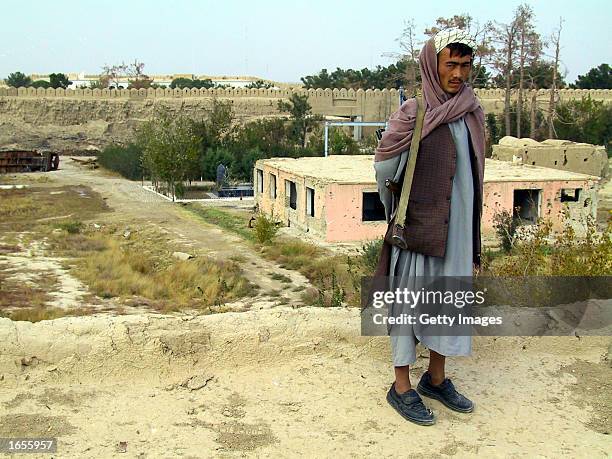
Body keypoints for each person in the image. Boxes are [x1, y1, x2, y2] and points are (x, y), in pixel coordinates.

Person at [372, 29, 486, 426]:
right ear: (432, 65)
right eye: (450, 64)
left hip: (456, 231)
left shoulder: (471, 112)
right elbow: (385, 165)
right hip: (419, 228)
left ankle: (435, 379)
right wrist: (395, 211)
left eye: (465, 65)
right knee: (408, 302)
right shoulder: (413, 112)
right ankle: (401, 387)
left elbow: (475, 171)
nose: (458, 73)